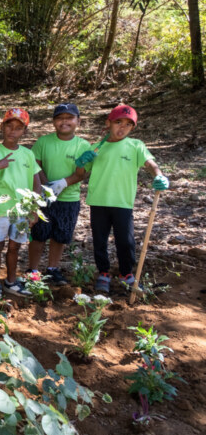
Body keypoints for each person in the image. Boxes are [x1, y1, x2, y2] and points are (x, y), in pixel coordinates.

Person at [74, 104, 169, 294]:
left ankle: (126, 274)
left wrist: (159, 175)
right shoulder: (97, 147)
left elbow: (150, 164)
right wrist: (81, 162)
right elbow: (81, 173)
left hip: (122, 202)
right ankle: (103, 273)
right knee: (100, 240)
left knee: (125, 241)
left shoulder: (136, 145)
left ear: (132, 128)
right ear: (108, 123)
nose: (122, 127)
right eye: (118, 122)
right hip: (98, 201)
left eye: (128, 124)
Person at [0, 108, 41, 299]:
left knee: (15, 246)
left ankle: (11, 281)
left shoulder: (27, 154)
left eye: (18, 128)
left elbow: (36, 183)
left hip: (22, 211)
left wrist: (34, 209)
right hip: (0, 211)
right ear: (1, 127)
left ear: (25, 131)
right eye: (9, 126)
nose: (12, 131)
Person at [26, 103, 89, 285]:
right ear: (54, 122)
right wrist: (46, 186)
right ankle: (33, 270)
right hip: (43, 198)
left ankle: (53, 268)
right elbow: (34, 165)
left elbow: (83, 173)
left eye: (69, 118)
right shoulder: (43, 142)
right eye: (60, 118)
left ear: (78, 121)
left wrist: (63, 183)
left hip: (69, 199)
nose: (64, 122)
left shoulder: (83, 145)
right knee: (39, 234)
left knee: (60, 235)